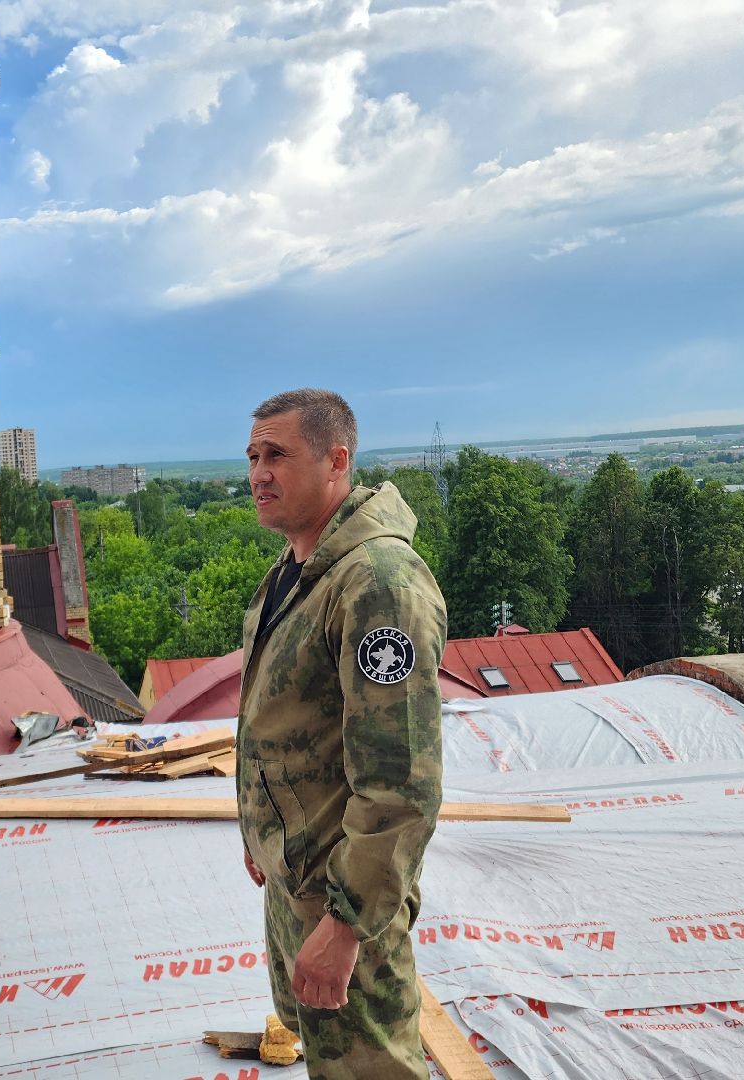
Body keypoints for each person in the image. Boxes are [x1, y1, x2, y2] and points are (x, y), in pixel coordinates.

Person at [236, 388, 446, 1078]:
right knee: (326, 1055)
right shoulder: (295, 573)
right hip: (299, 879)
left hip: (344, 898)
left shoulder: (378, 583)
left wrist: (349, 924)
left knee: (371, 1069)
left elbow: (401, 781)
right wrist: (260, 831)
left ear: (337, 461)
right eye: (253, 455)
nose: (259, 472)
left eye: (278, 455)